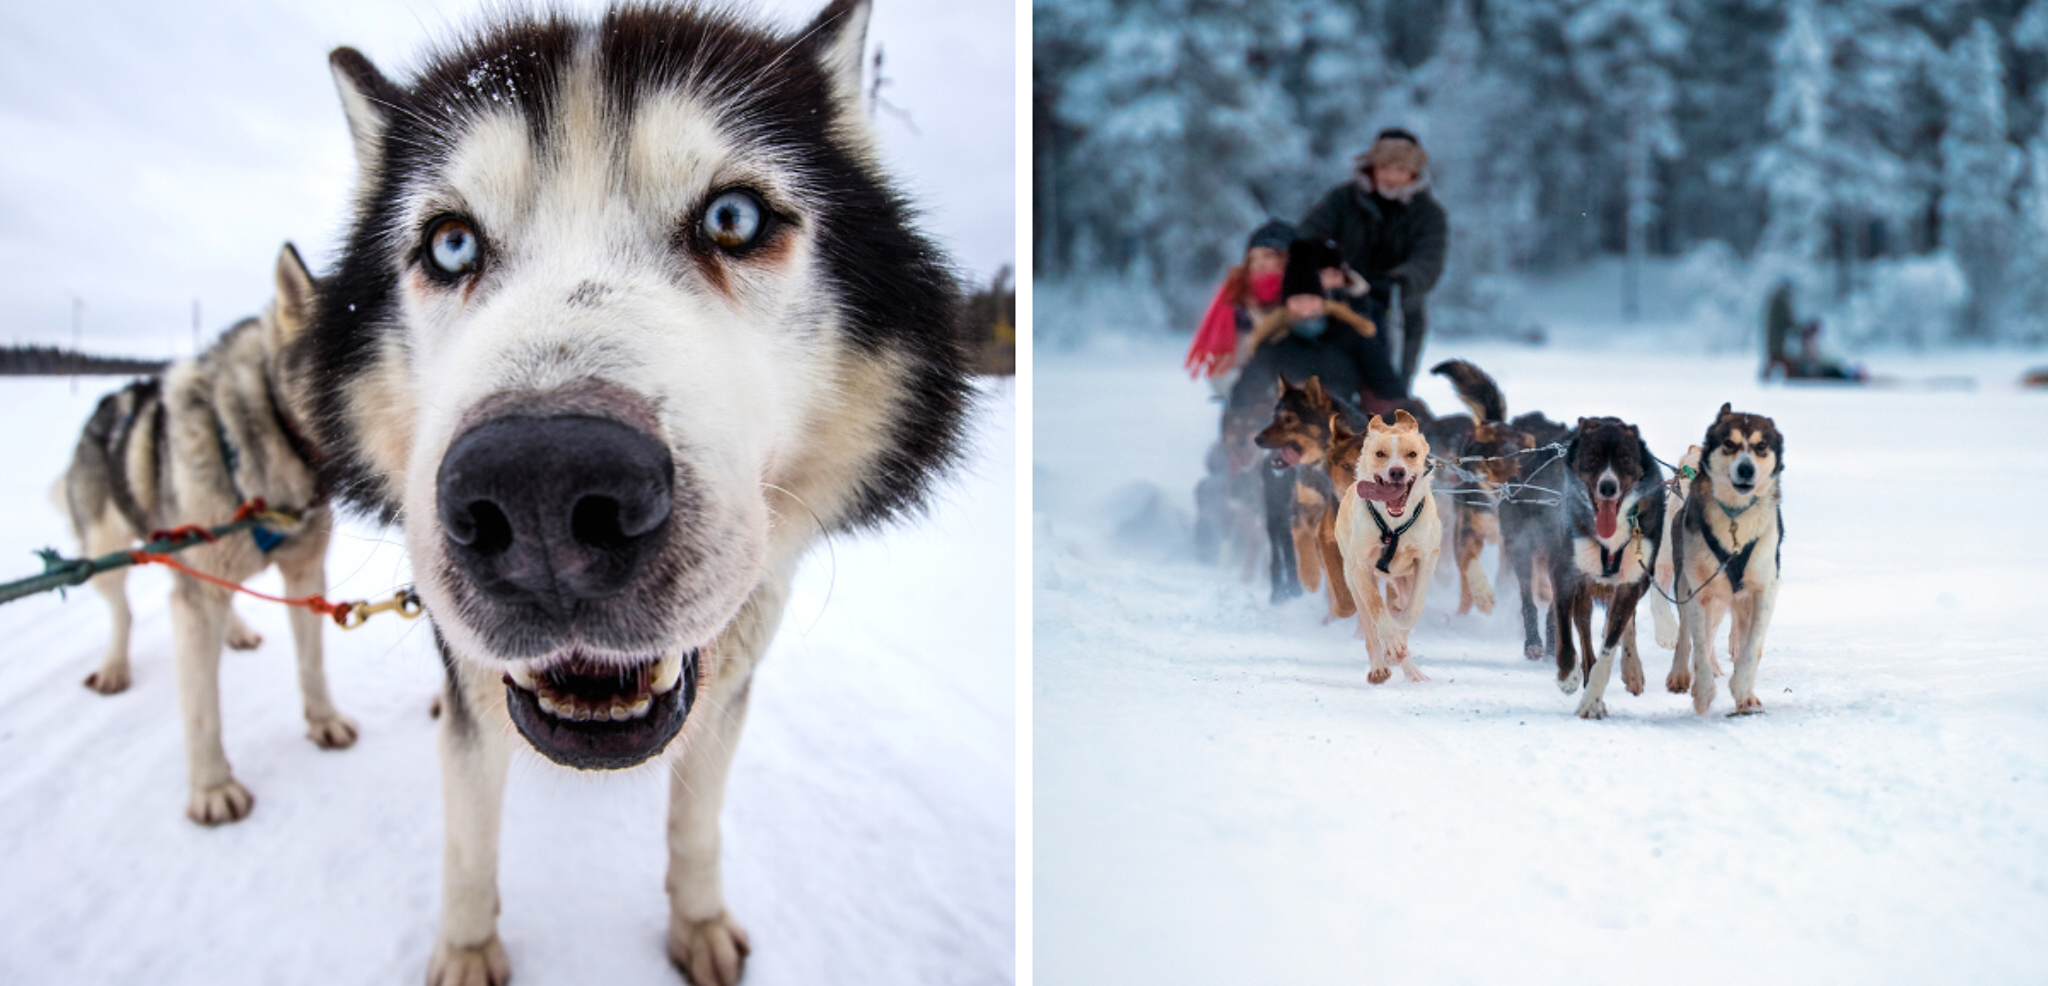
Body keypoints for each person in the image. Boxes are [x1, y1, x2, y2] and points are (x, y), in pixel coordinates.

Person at [1297, 128, 1448, 394]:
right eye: (1386, 167)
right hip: (1340, 306)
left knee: (1389, 394)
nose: (1392, 177)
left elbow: (1429, 260)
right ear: (1372, 168)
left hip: (1399, 311)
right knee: (1333, 385)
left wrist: (1398, 280)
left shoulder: (1428, 214)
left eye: (1401, 169)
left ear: (1414, 173)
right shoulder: (1342, 200)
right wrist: (1329, 271)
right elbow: (1309, 237)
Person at [1227, 238, 1402, 418]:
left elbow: (1385, 382)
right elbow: (1249, 387)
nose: (1305, 308)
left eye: (1311, 300)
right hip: (1290, 430)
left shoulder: (1350, 335)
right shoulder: (1275, 341)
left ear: (1321, 302)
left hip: (1346, 427)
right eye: (1297, 301)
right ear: (1287, 305)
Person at [1186, 219, 1295, 394]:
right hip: (1248, 395)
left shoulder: (1308, 297)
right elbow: (1219, 369)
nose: (1260, 264)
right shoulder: (1236, 297)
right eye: (1254, 257)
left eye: (1268, 256)